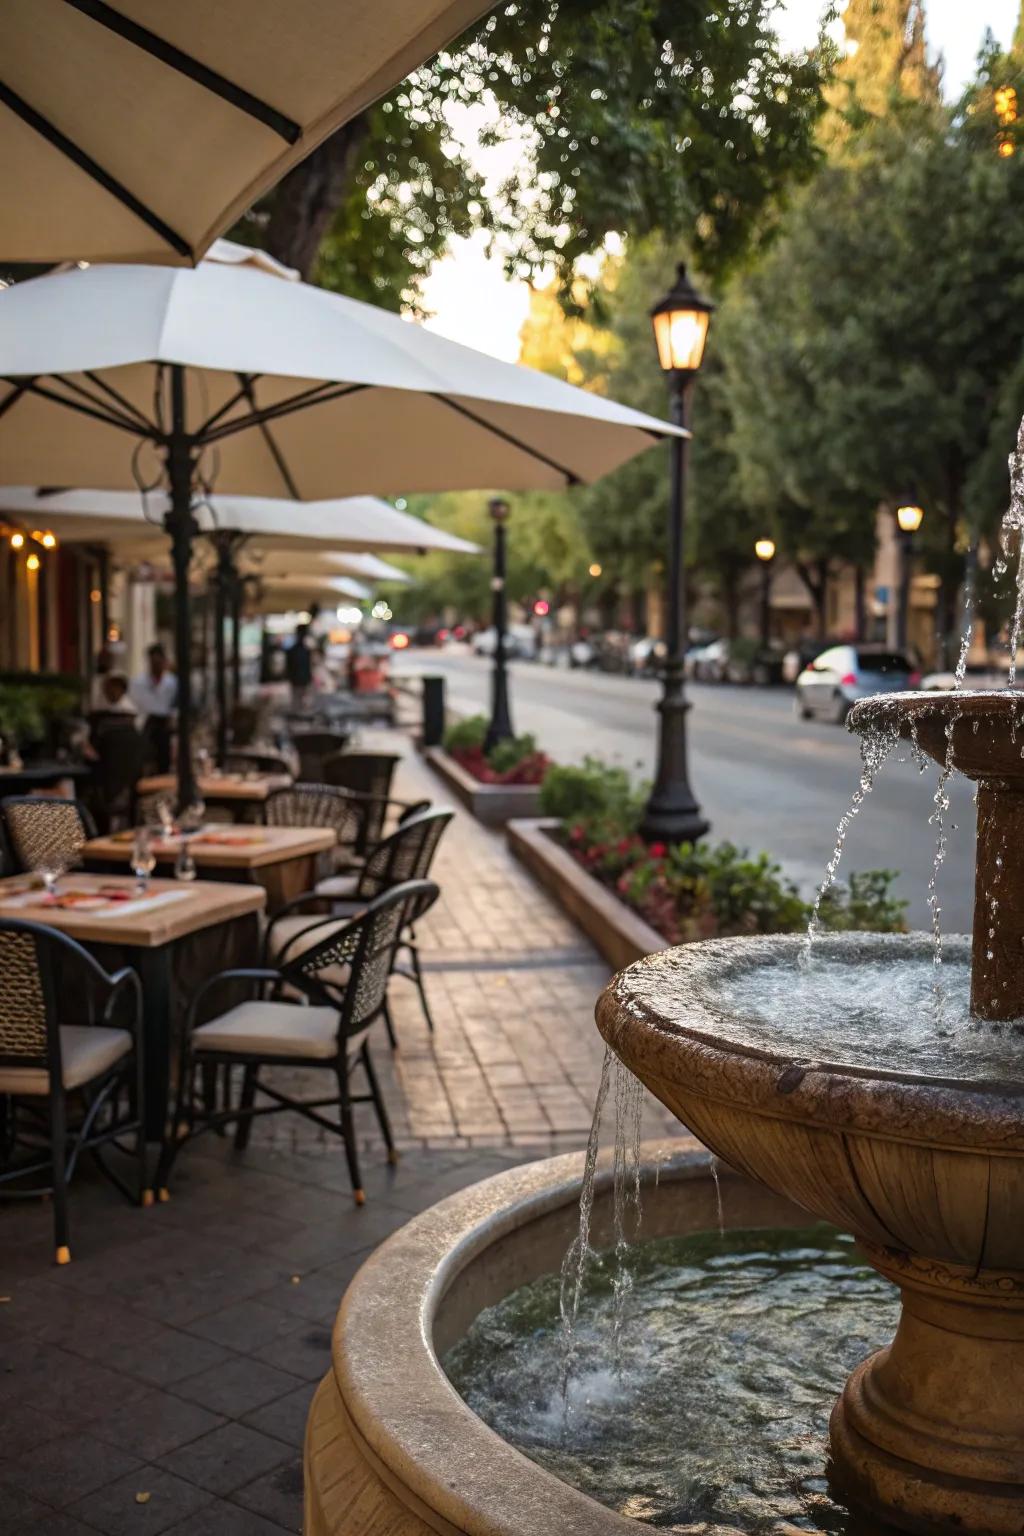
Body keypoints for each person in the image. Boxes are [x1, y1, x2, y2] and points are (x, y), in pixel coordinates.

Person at [131, 644, 177, 773]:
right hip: (146, 725)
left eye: (159, 662)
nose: (156, 665)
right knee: (144, 761)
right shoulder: (138, 682)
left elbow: (175, 706)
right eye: (153, 662)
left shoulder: (172, 682)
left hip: (165, 726)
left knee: (164, 762)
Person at [285, 623, 314, 709]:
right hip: (298, 679)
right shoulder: (297, 651)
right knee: (298, 700)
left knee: (301, 701)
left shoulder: (304, 650)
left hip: (301, 679)